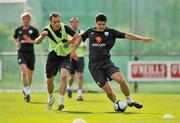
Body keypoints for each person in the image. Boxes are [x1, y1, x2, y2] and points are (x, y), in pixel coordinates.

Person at [71, 13, 153, 110]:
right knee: (109, 91)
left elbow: (126, 35)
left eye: (103, 24)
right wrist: (73, 50)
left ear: (106, 23)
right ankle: (117, 103)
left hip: (107, 63)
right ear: (96, 23)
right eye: (99, 24)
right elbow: (79, 38)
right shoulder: (90, 31)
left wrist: (141, 38)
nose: (101, 26)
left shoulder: (111, 32)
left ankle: (130, 100)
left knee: (121, 80)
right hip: (94, 67)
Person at [35, 12, 77, 110]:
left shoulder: (65, 27)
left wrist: (69, 44)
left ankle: (60, 101)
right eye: (55, 22)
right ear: (50, 22)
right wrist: (42, 36)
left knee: (63, 76)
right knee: (50, 80)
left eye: (58, 21)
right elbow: (37, 42)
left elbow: (77, 37)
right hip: (53, 56)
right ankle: (51, 98)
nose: (57, 23)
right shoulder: (47, 30)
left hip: (65, 56)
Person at [13, 12, 39, 102]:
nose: (26, 20)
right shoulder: (18, 30)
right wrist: (16, 42)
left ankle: (26, 89)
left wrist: (31, 41)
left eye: (28, 19)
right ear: (22, 20)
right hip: (21, 53)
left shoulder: (34, 30)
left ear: (30, 20)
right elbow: (14, 37)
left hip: (30, 54)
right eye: (24, 19)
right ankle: (27, 93)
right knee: (24, 72)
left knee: (29, 75)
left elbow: (39, 41)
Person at [67, 17, 86, 101]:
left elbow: (84, 45)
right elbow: (67, 44)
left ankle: (79, 95)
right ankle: (69, 87)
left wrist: (78, 44)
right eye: (73, 22)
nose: (75, 24)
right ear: (70, 23)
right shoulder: (67, 33)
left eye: (76, 22)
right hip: (71, 57)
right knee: (71, 77)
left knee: (80, 76)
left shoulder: (81, 33)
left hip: (80, 57)